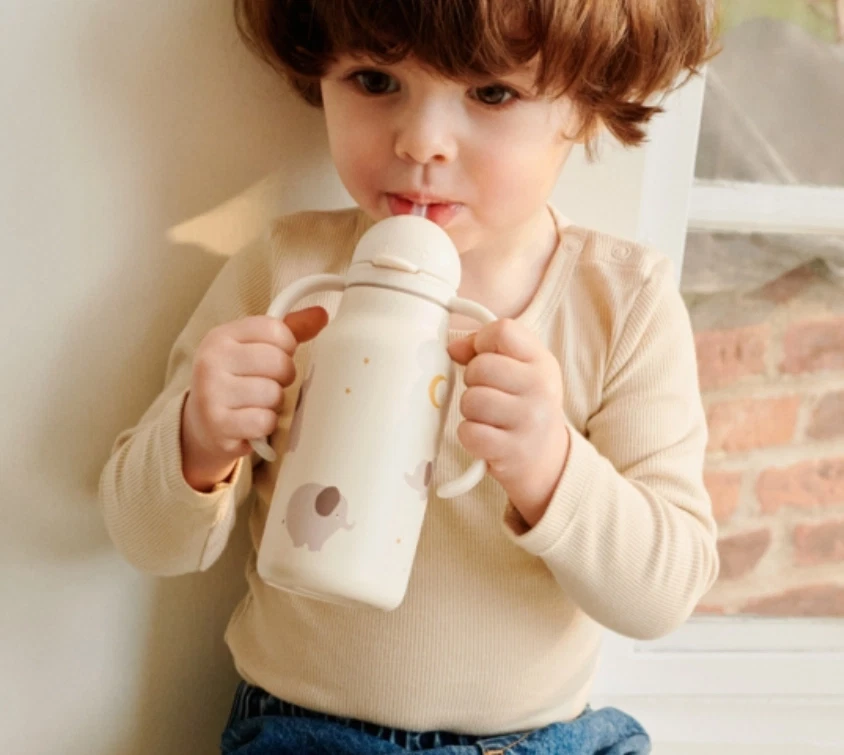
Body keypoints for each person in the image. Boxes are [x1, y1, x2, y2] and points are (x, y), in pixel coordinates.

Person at [98, 1, 719, 752]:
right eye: (374, 79)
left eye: (491, 92)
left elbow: (662, 595)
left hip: (535, 739)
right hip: (304, 736)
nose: (421, 142)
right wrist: (199, 439)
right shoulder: (288, 273)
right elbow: (146, 539)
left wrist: (552, 466)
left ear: (588, 105)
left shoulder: (620, 303)